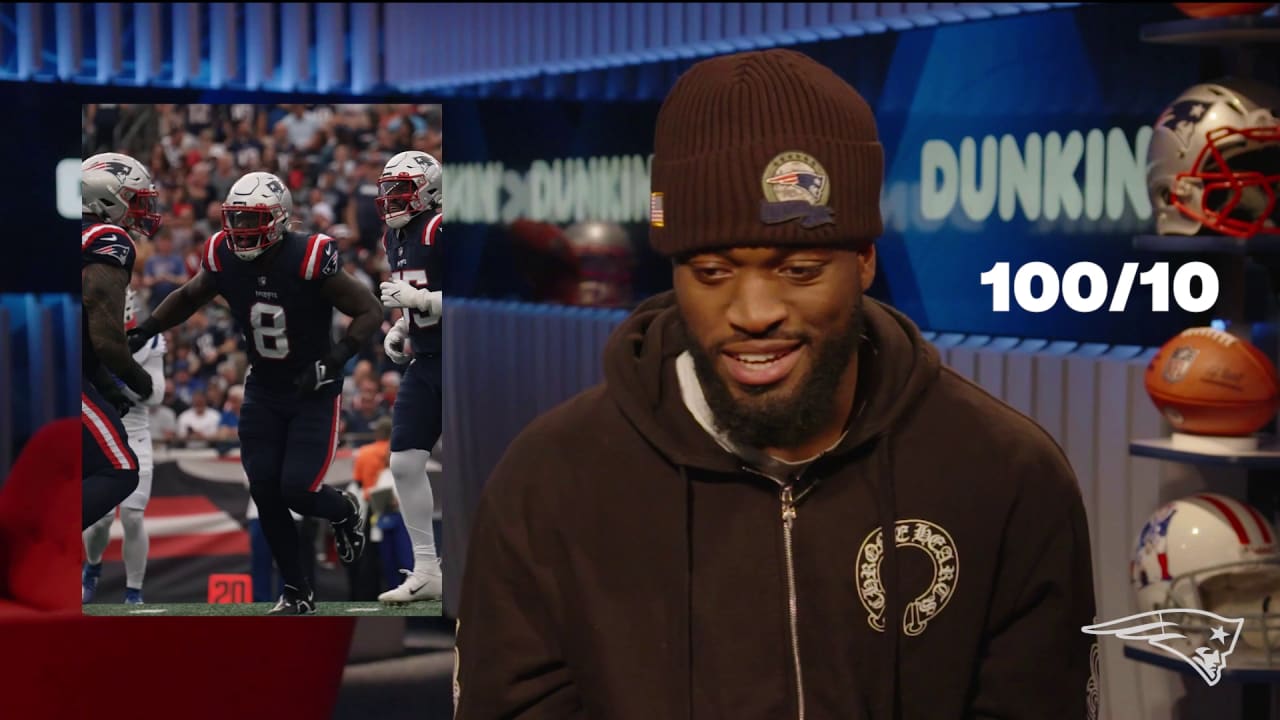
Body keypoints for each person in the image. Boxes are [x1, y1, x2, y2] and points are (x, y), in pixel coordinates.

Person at [454, 49, 1097, 719]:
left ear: (865, 260)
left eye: (798, 269)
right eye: (711, 271)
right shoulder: (550, 484)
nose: (753, 312)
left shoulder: (1004, 475)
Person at [128, 171, 383, 615]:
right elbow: (190, 297)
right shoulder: (223, 254)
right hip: (263, 387)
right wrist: (147, 328)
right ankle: (297, 592)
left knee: (297, 491)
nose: (243, 228)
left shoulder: (308, 255)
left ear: (280, 219)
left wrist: (335, 358)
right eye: (237, 217)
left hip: (313, 390)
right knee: (265, 490)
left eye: (253, 218)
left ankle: (344, 509)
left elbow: (368, 309)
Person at [373, 150, 445, 604]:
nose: (392, 198)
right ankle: (427, 569)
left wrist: (420, 305)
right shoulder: (393, 236)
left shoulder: (442, 228)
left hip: (467, 359)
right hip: (427, 357)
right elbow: (417, 297)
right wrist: (404, 325)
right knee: (402, 463)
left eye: (401, 189)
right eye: (389, 190)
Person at [81, 152, 160, 530]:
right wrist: (138, 383)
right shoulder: (104, 237)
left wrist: (104, 389)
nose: (136, 210)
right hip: (46, 370)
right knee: (120, 469)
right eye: (133, 198)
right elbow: (106, 339)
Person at [83, 288, 166, 605]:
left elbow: (156, 395)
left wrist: (119, 381)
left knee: (133, 516)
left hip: (135, 431)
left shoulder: (147, 340)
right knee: (101, 517)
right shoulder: (87, 332)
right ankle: (92, 567)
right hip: (98, 429)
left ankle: (134, 591)